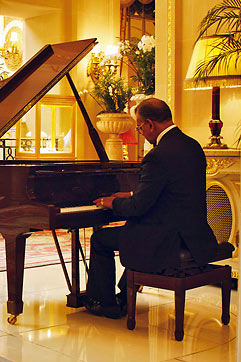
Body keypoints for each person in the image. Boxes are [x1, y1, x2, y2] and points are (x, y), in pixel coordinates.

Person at [85, 98, 218, 319]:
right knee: (135, 230)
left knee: (101, 240)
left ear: (149, 124)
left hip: (167, 238)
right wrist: (129, 194)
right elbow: (173, 192)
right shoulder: (192, 145)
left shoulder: (158, 155)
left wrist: (113, 202)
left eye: (139, 127)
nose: (141, 132)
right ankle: (124, 295)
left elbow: (138, 207)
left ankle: (104, 303)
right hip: (193, 233)